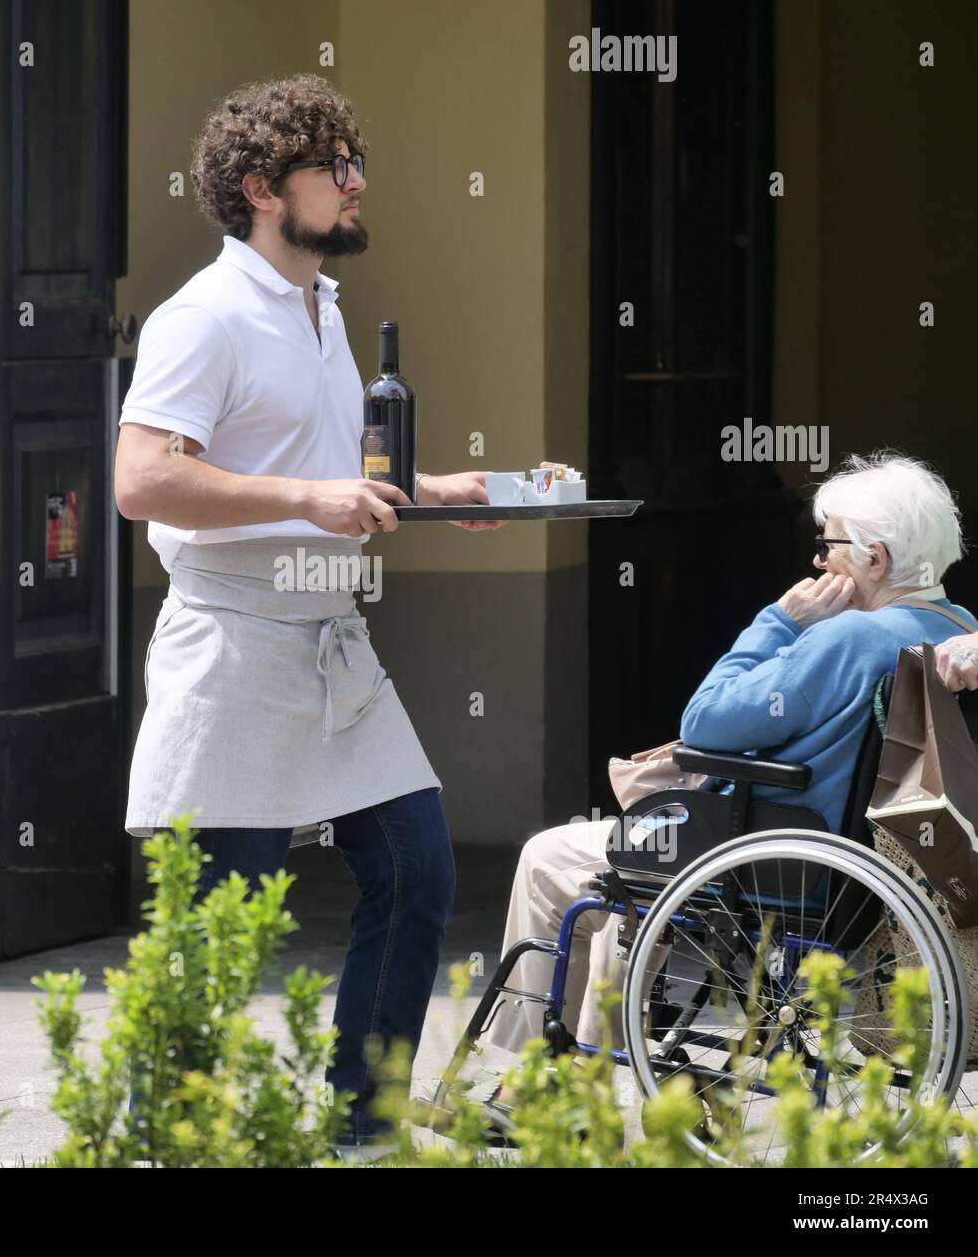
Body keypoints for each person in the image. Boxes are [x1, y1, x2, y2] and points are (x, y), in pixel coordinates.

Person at [114, 73, 505, 1156]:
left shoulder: (318, 308)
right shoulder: (206, 316)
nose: (353, 180)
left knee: (418, 868)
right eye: (329, 165)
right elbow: (141, 480)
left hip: (333, 648)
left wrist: (435, 495)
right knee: (216, 933)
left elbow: (328, 470)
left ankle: (361, 1125)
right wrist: (310, 501)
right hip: (233, 650)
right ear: (257, 187)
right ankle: (173, 1148)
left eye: (356, 160)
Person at [484, 451, 974, 1061]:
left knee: (546, 854)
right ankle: (578, 1070)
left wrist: (780, 620)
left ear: (874, 558)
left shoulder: (849, 638)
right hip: (849, 864)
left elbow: (705, 721)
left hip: (776, 856)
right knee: (624, 877)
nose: (820, 560)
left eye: (829, 545)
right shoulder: (954, 627)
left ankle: (524, 1066)